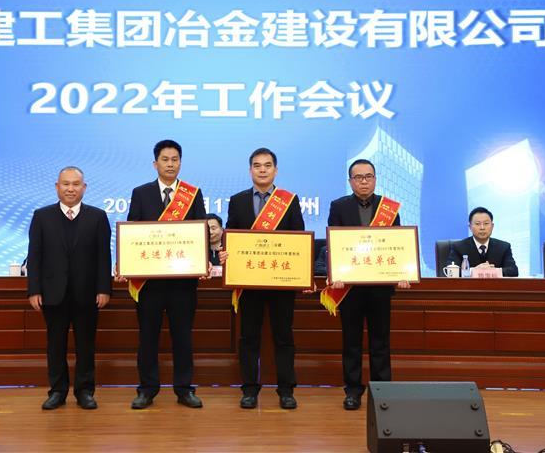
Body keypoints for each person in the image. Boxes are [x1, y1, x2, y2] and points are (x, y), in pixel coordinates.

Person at [123, 139, 207, 410]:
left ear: (180, 163)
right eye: (165, 159)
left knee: (183, 338)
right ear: (155, 163)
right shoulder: (141, 193)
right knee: (148, 338)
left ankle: (184, 389)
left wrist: (203, 258)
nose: (170, 164)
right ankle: (147, 389)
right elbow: (132, 232)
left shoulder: (193, 194)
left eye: (175, 159)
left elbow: (201, 232)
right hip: (150, 283)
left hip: (183, 283)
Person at [220, 147, 305, 410]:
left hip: (281, 282)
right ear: (250, 171)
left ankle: (286, 390)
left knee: (283, 337)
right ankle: (249, 390)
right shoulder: (237, 201)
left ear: (275, 170)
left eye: (267, 165)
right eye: (257, 166)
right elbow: (231, 236)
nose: (262, 170)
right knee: (249, 337)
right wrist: (225, 253)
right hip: (249, 282)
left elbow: (299, 239)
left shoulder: (289, 201)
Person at [325, 159, 409, 411]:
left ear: (375, 179)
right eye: (358, 177)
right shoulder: (339, 206)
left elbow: (397, 244)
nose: (364, 181)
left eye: (368, 176)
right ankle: (352, 391)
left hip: (380, 287)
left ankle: (382, 391)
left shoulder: (389, 208)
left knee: (380, 341)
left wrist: (402, 272)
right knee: (351, 341)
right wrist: (335, 271)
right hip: (349, 287)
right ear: (350, 181)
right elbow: (333, 244)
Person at [26, 166, 112, 411]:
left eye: (76, 184)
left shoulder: (98, 216)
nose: (71, 189)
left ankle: (85, 391)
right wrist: (34, 290)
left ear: (84, 188)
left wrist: (104, 288)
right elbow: (35, 256)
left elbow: (103, 257)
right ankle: (57, 391)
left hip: (88, 293)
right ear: (57, 187)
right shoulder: (42, 216)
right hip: (53, 293)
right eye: (66, 184)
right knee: (55, 345)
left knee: (86, 345)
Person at [446, 207, 518, 277]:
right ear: (470, 227)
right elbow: (450, 272)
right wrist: (474, 271)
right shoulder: (459, 247)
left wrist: (493, 271)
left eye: (486, 223)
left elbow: (513, 271)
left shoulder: (503, 247)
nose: (482, 228)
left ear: (492, 226)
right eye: (477, 224)